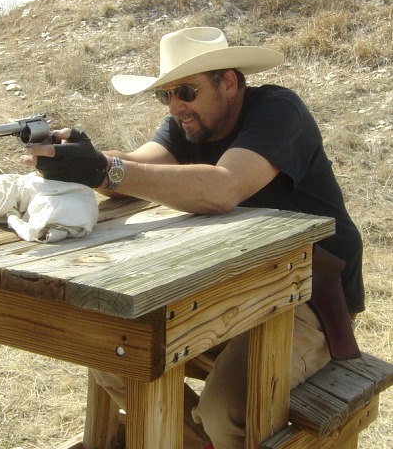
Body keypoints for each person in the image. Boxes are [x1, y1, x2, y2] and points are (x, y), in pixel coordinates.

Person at [20, 27, 365, 449]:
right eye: (165, 95)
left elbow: (223, 188)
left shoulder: (278, 110)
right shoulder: (189, 124)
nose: (175, 106)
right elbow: (136, 168)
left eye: (185, 91)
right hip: (235, 286)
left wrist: (103, 170)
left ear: (229, 83)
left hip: (310, 295)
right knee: (113, 355)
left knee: (226, 409)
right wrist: (85, 158)